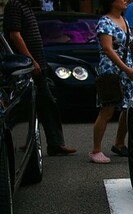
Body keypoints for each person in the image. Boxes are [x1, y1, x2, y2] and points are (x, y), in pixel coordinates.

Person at [3, 0, 77, 156]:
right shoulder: (14, 5)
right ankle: (47, 143)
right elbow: (15, 35)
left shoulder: (26, 6)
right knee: (38, 103)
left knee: (46, 103)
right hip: (25, 65)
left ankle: (54, 143)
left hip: (38, 64)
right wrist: (30, 60)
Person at [92, 0, 133, 163]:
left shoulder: (124, 20)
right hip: (110, 70)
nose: (126, 0)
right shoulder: (104, 22)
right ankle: (95, 150)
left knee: (129, 106)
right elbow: (107, 49)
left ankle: (119, 143)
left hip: (127, 68)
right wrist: (126, 68)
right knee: (107, 110)